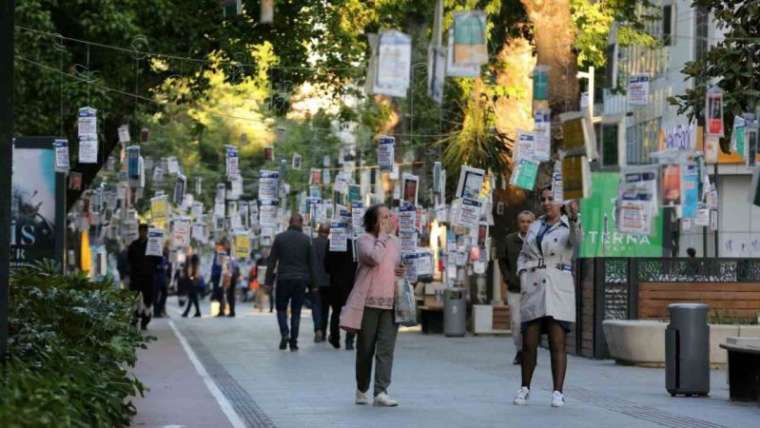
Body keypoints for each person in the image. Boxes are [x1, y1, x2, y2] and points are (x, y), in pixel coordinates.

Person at [513, 187, 581, 408]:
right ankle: (524, 388)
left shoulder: (568, 224)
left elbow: (577, 240)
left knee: (557, 341)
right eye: (543, 199)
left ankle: (558, 391)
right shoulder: (535, 226)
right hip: (533, 286)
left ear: (560, 202)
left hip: (557, 285)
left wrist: (573, 217)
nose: (547, 202)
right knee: (529, 342)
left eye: (552, 199)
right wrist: (522, 272)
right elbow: (523, 253)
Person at [340, 204, 405, 407]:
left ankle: (381, 391)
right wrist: (383, 237)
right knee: (366, 348)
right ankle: (362, 388)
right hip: (368, 302)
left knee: (386, 348)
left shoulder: (396, 242)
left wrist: (401, 270)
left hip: (390, 302)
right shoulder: (364, 241)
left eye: (389, 216)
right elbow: (375, 258)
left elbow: (394, 266)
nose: (387, 220)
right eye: (383, 217)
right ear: (373, 221)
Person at [266, 214, 315, 351]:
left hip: (284, 278)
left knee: (281, 309)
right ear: (301, 223)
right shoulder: (306, 240)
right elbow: (312, 263)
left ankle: (284, 333)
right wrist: (314, 285)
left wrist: (268, 281)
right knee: (296, 311)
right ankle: (293, 342)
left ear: (289, 223)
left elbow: (272, 261)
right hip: (300, 280)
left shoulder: (280, 238)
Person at [499, 210, 535, 366]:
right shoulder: (510, 240)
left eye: (529, 221)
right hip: (515, 288)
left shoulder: (538, 240)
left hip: (534, 289)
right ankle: (520, 350)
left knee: (533, 323)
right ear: (518, 223)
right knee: (516, 322)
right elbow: (502, 260)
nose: (526, 224)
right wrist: (508, 278)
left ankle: (531, 352)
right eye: (523, 221)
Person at [324, 228, 358, 350]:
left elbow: (326, 265)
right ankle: (349, 340)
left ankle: (335, 338)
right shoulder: (355, 241)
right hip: (352, 282)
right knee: (352, 311)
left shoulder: (333, 242)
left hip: (336, 282)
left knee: (336, 311)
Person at [126, 224, 160, 330]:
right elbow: (129, 259)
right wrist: (128, 273)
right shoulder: (134, 245)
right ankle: (135, 318)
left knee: (148, 300)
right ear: (139, 231)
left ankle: (145, 320)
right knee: (134, 299)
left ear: (147, 232)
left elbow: (158, 260)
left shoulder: (152, 245)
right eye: (141, 231)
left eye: (145, 231)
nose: (143, 233)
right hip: (135, 276)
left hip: (148, 276)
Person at [312, 224, 331, 343]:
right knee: (325, 308)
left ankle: (318, 329)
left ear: (318, 232)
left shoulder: (312, 243)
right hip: (329, 281)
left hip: (316, 281)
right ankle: (323, 332)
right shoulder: (332, 244)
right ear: (328, 233)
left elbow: (311, 262)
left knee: (316, 306)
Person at [219, 240, 240, 318]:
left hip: (231, 275)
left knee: (230, 293)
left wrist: (236, 274)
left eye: (226, 244)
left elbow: (235, 265)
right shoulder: (223, 253)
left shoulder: (231, 254)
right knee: (228, 294)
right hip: (226, 275)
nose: (225, 246)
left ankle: (232, 311)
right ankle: (230, 310)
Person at [153, 244, 172, 318]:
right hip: (157, 278)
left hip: (163, 278)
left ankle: (160, 309)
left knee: (164, 294)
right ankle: (156, 311)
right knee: (156, 295)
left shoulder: (165, 255)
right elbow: (155, 266)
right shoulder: (155, 255)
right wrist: (161, 267)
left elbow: (168, 265)